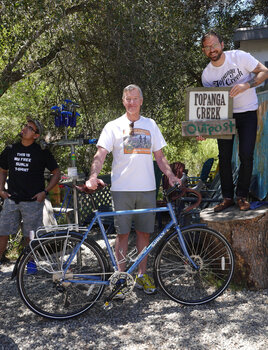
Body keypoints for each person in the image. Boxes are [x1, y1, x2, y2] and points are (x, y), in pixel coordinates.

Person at [85, 84, 180, 296]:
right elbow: (100, 155)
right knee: (122, 234)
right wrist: (93, 176)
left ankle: (141, 274)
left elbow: (160, 156)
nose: (131, 102)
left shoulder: (151, 124)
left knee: (144, 233)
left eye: (135, 98)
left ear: (141, 101)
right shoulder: (113, 126)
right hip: (122, 189)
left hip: (147, 188)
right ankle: (121, 277)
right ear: (122, 101)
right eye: (127, 98)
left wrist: (171, 175)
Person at [200, 30, 268, 212]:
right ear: (204, 51)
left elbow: (264, 71)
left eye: (214, 45)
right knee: (224, 157)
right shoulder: (207, 75)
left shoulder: (239, 57)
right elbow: (209, 107)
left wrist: (247, 85)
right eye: (207, 47)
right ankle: (227, 197)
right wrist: (202, 129)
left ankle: (242, 197)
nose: (211, 49)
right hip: (225, 117)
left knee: (246, 155)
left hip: (247, 112)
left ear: (222, 45)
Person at [0, 118, 60, 263]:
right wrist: (1, 189)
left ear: (36, 135)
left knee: (31, 236)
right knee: (2, 232)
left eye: (30, 128)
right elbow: (2, 170)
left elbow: (56, 173)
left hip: (33, 201)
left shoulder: (41, 152)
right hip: (11, 199)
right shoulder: (10, 149)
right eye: (25, 126)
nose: (25, 128)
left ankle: (30, 265)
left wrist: (44, 192)